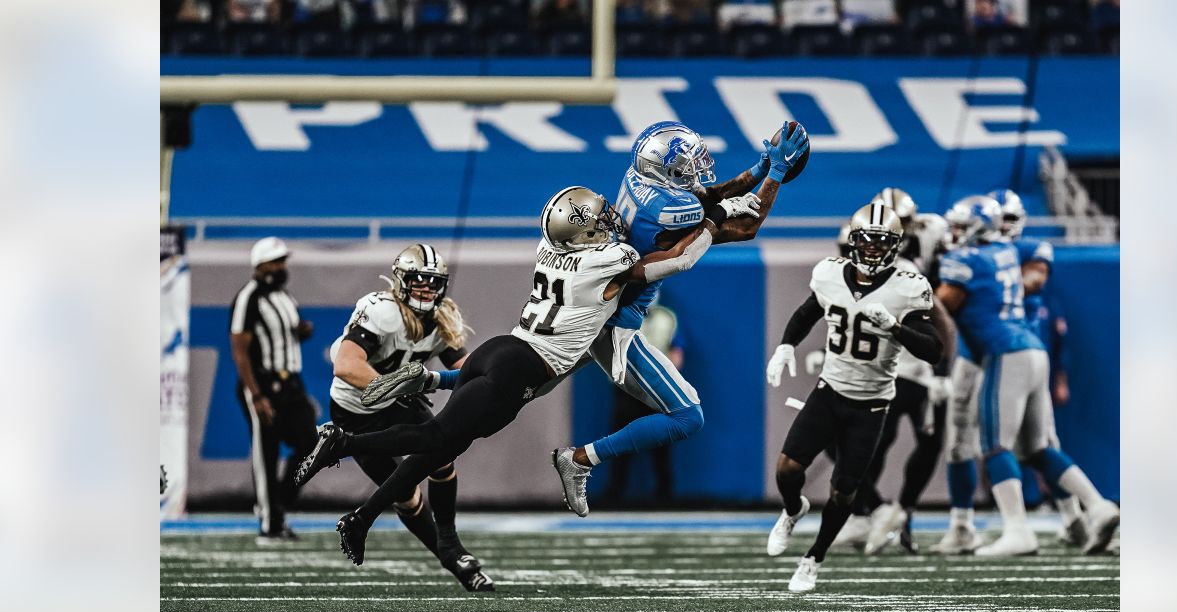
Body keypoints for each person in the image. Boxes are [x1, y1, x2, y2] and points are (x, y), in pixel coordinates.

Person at [293, 185, 757, 565]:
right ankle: (343, 443)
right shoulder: (603, 261)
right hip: (521, 370)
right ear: (581, 234)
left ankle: (361, 519)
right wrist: (712, 223)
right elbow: (676, 259)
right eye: (596, 223)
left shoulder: (549, 249)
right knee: (433, 438)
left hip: (504, 350)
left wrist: (436, 381)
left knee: (437, 448)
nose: (607, 223)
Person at [549, 120, 809, 515]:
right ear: (663, 168)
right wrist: (776, 174)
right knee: (687, 416)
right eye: (686, 163)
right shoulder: (669, 208)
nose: (695, 169)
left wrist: (758, 169)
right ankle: (581, 459)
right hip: (619, 318)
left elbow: (710, 198)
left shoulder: (642, 182)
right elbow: (743, 226)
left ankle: (438, 379)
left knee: (533, 377)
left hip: (600, 303)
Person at [763, 202, 949, 593]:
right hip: (829, 391)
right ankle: (794, 508)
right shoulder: (830, 273)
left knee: (844, 489)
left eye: (882, 242)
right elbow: (806, 312)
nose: (872, 249)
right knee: (786, 470)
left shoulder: (908, 285)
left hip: (873, 403)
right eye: (866, 241)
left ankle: (813, 558)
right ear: (853, 241)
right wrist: (786, 347)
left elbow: (933, 350)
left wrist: (896, 328)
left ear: (896, 245)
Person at [935, 195, 1119, 556]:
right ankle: (1098, 507)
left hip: (1003, 352)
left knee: (996, 445)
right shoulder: (1004, 253)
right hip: (1032, 348)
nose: (953, 233)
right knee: (1038, 448)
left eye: (959, 227)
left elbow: (941, 305)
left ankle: (1018, 529)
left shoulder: (964, 261)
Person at [326, 244, 494, 591]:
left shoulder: (441, 317)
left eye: (433, 283)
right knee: (406, 494)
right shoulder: (382, 310)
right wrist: (396, 386)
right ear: (401, 281)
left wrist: (498, 380)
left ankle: (452, 547)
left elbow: (466, 370)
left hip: (398, 399)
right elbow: (346, 365)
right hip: (357, 408)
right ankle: (446, 555)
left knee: (443, 453)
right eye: (418, 282)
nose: (426, 290)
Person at [228, 236, 317, 543]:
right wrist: (256, 394)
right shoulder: (248, 297)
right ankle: (270, 523)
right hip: (263, 383)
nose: (281, 267)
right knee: (266, 452)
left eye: (283, 261)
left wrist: (302, 331)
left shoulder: (284, 296)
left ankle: (277, 502)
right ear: (260, 264)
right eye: (276, 261)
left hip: (291, 381)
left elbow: (287, 333)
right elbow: (240, 350)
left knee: (311, 442)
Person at [602, 303, 686, 504]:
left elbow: (677, 352)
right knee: (620, 437)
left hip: (656, 388)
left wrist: (664, 378)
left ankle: (665, 491)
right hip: (626, 387)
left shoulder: (667, 318)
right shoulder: (618, 316)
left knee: (661, 441)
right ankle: (616, 489)